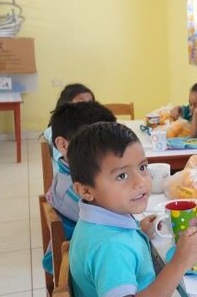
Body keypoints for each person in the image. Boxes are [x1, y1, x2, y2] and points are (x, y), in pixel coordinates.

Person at [68, 122, 197, 296]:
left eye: (142, 168)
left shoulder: (99, 222)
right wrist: (179, 263)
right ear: (85, 190)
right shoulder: (111, 247)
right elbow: (113, 253)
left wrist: (137, 233)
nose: (141, 182)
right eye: (122, 176)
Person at [42, 101, 116, 275]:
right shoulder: (76, 190)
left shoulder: (73, 173)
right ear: (63, 145)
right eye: (93, 143)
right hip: (76, 267)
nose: (109, 151)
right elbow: (115, 223)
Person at [43, 83, 96, 163]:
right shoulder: (55, 130)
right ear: (65, 105)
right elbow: (68, 162)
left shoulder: (92, 125)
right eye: (81, 103)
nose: (87, 107)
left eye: (90, 103)